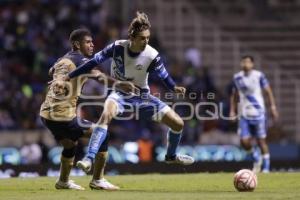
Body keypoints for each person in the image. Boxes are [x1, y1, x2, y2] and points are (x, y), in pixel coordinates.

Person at [64, 12, 195, 173]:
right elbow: (92, 62)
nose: (146, 41)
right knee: (106, 115)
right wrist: (69, 76)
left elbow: (164, 76)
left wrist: (174, 87)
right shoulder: (117, 47)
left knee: (178, 123)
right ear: (132, 37)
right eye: (142, 38)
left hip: (142, 97)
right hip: (118, 94)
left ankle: (171, 155)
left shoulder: (152, 55)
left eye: (147, 37)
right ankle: (88, 158)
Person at [40, 28, 136, 190]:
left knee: (70, 144)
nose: (92, 45)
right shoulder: (82, 61)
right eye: (88, 42)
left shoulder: (62, 59)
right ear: (77, 44)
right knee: (102, 133)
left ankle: (63, 181)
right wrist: (120, 85)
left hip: (46, 115)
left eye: (92, 42)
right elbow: (98, 76)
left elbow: (51, 71)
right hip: (62, 116)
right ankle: (98, 180)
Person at [229, 55, 279, 173]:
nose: (245, 64)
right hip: (244, 114)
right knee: (243, 141)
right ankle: (255, 154)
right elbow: (234, 95)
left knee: (261, 141)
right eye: (243, 62)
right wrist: (232, 110)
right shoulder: (237, 77)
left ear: (252, 64)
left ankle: (266, 168)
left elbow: (268, 91)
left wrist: (272, 107)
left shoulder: (258, 76)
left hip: (258, 113)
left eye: (247, 62)